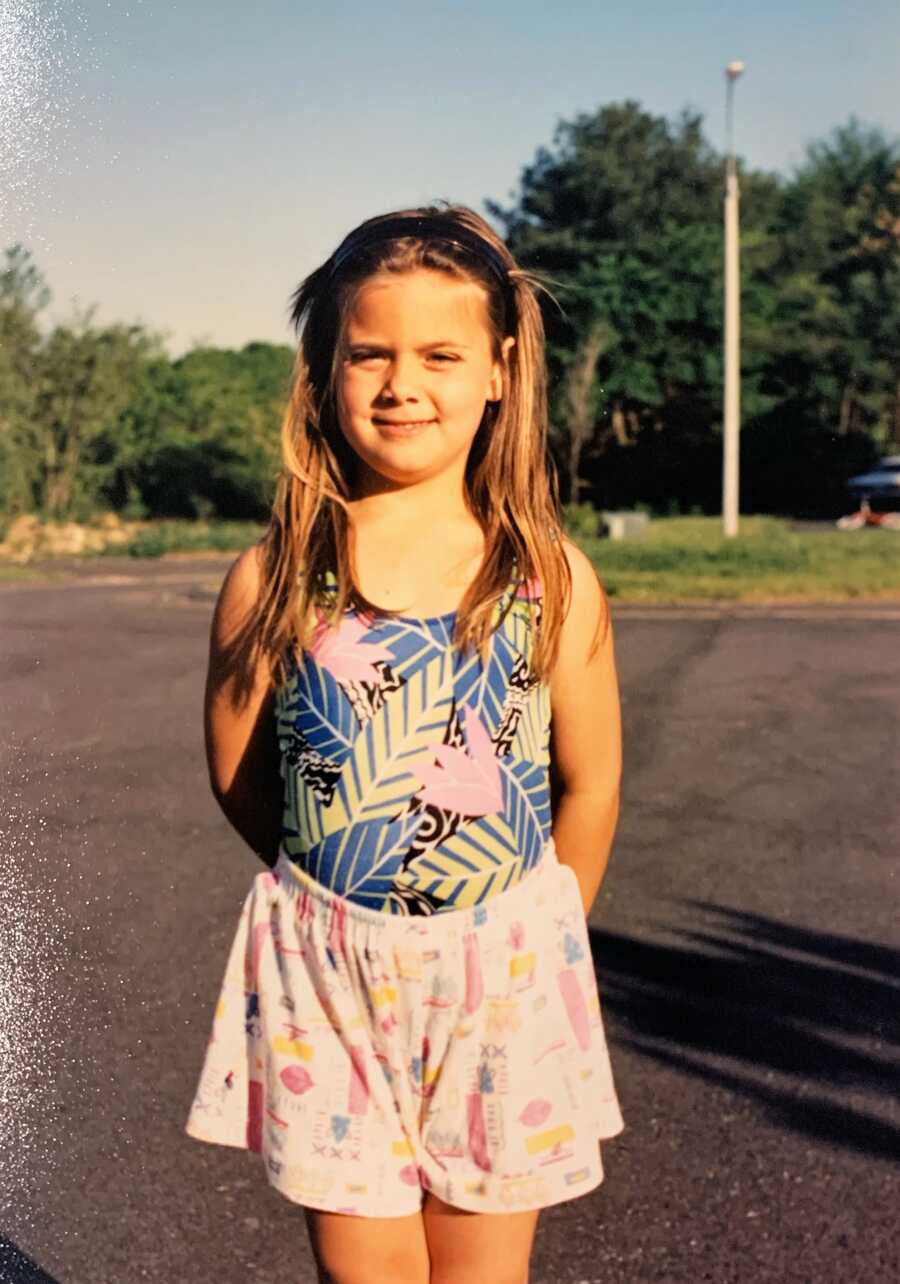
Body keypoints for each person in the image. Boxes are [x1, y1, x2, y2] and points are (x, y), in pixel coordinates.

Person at [185, 204, 624, 1284]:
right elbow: (242, 777)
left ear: (499, 371)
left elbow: (594, 776)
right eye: (367, 354)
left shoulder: (548, 575)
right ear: (324, 367)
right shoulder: (277, 575)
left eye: (439, 355)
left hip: (505, 976)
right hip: (326, 977)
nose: (400, 384)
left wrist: (538, 941)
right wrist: (342, 893)